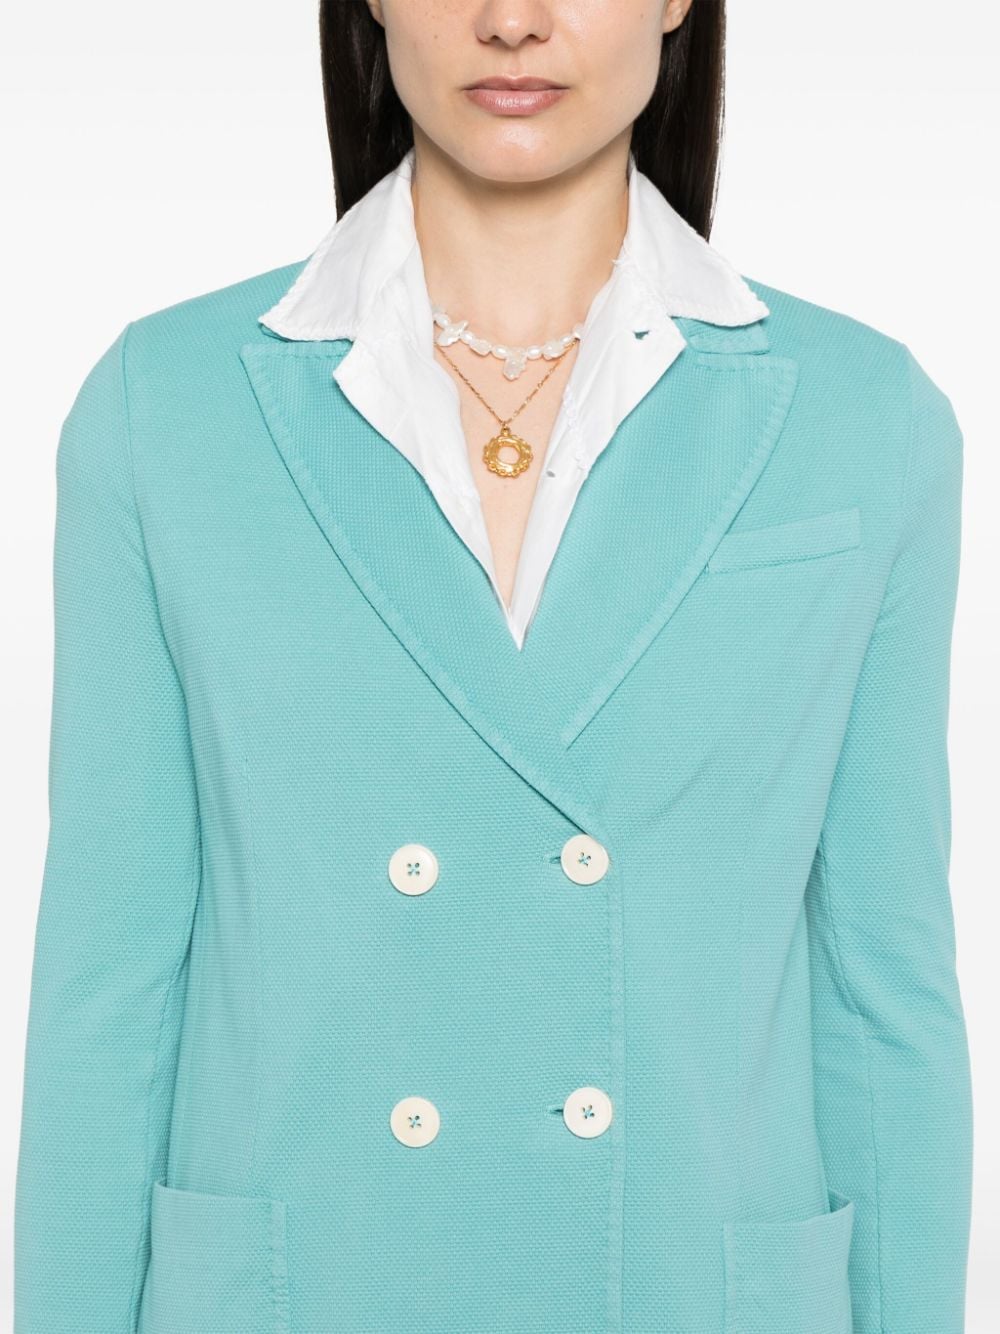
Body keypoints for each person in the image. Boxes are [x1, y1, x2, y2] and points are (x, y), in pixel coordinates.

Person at [14, 2, 974, 1332]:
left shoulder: (864, 421)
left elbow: (884, 994)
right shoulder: (163, 410)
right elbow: (108, 992)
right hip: (309, 1290)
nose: (511, 20)